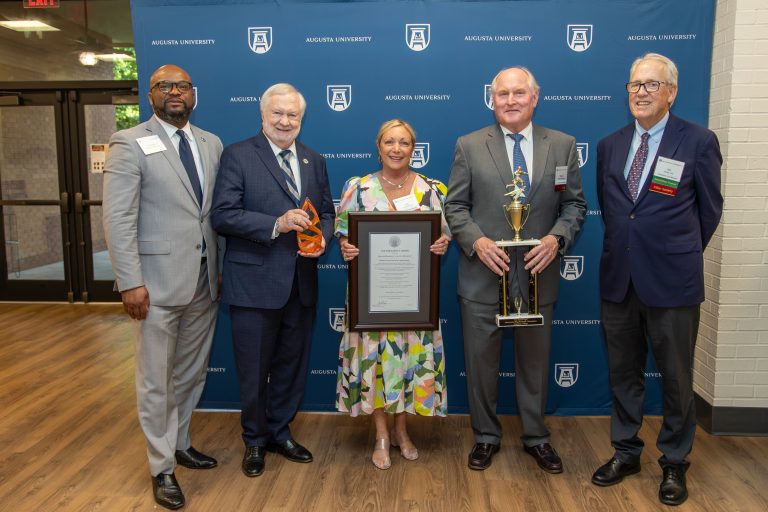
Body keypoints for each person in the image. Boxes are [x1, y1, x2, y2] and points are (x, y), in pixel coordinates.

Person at [592, 53, 723, 506]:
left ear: (671, 91)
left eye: (651, 84)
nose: (641, 92)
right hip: (619, 281)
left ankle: (674, 462)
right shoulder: (609, 145)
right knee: (623, 374)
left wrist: (673, 253)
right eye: (634, 84)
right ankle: (626, 451)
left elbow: (708, 212)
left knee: (676, 378)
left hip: (673, 282)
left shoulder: (698, 141)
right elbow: (615, 213)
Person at [444, 67, 586, 473]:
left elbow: (574, 205)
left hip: (539, 276)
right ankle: (486, 436)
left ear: (534, 97)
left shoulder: (562, 145)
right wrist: (477, 242)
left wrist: (557, 239)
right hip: (483, 274)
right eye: (502, 93)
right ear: (492, 99)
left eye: (518, 92)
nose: (510, 100)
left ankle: (537, 437)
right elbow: (454, 207)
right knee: (481, 364)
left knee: (535, 365)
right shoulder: (469, 146)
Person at [103, 64, 223, 510]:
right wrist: (130, 281)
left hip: (204, 283)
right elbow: (117, 218)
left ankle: (180, 443)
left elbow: (212, 216)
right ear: (150, 95)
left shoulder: (210, 143)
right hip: (152, 287)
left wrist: (220, 268)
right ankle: (161, 467)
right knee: (156, 380)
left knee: (190, 374)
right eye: (164, 86)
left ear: (195, 94)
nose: (175, 92)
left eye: (182, 86)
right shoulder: (128, 143)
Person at [211, 83, 335, 478]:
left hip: (301, 282)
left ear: (302, 119)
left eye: (293, 115)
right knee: (253, 368)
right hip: (253, 284)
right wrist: (275, 224)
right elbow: (223, 215)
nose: (285, 121)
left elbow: (328, 213)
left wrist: (323, 240)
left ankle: (281, 432)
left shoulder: (314, 160)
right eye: (277, 114)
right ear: (262, 116)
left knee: (290, 366)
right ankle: (254, 441)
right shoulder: (238, 155)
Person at [335, 119, 450, 470]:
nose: (396, 149)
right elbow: (343, 235)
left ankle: (403, 431)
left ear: (414, 148)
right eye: (389, 141)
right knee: (377, 365)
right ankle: (382, 434)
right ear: (378, 146)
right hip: (371, 298)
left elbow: (443, 234)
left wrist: (443, 243)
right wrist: (346, 247)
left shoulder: (431, 189)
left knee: (408, 364)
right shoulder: (359, 188)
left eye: (404, 142)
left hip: (414, 299)